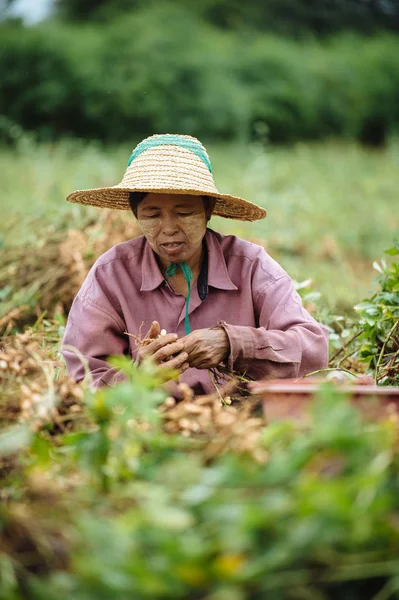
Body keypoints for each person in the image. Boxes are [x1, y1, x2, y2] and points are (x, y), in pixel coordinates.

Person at [62, 134, 329, 393]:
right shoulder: (111, 276)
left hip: (242, 424)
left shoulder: (251, 266)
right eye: (152, 215)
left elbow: (313, 350)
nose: (168, 228)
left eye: (184, 213)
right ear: (135, 214)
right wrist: (137, 377)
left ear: (208, 210)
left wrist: (231, 343)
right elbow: (83, 381)